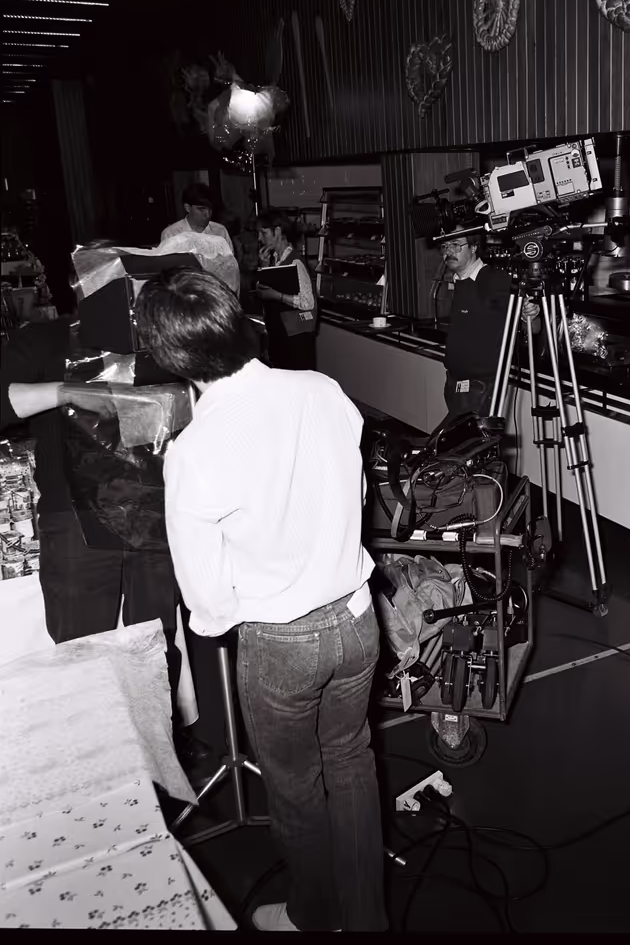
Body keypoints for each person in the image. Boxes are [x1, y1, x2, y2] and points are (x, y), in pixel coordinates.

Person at [135, 268, 386, 933]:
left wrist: (231, 612)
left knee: (297, 788)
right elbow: (358, 496)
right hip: (360, 617)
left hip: (281, 641)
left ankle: (313, 913)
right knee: (352, 761)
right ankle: (366, 919)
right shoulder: (320, 389)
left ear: (170, 359)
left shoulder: (193, 451)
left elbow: (205, 596)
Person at [0, 312, 204, 757]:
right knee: (80, 650)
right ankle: (89, 760)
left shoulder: (160, 336)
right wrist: (67, 391)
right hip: (74, 517)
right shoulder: (46, 339)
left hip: (155, 512)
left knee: (155, 643)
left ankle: (159, 750)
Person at [440, 230, 537, 418]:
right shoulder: (458, 281)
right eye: (444, 246)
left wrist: (529, 314)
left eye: (456, 245)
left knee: (469, 445)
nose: (448, 251)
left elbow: (534, 328)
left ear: (474, 247)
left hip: (483, 389)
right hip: (455, 385)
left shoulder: (495, 280)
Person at [255, 209, 317, 371]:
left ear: (277, 231)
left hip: (296, 337)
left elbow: (307, 302)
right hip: (281, 333)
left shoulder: (295, 262)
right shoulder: (275, 259)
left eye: (263, 233)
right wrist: (264, 267)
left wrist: (277, 295)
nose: (260, 238)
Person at [160, 182, 235, 252]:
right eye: (202, 210)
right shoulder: (171, 234)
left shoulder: (220, 231)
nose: (208, 215)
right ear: (188, 208)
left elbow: (231, 263)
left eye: (210, 209)